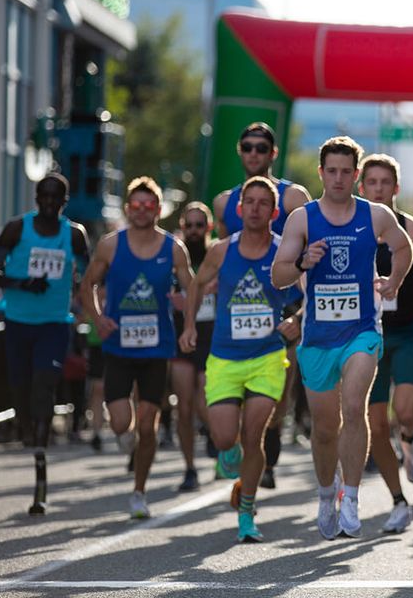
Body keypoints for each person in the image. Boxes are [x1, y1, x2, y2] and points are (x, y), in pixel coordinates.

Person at [272, 136, 412, 540]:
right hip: (317, 336)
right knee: (324, 427)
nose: (338, 178)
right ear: (321, 173)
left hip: (362, 330)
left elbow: (403, 248)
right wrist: (302, 261)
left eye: (345, 172)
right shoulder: (302, 218)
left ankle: (351, 497)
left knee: (354, 407)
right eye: (330, 171)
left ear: (356, 175)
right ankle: (325, 493)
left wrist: (393, 280)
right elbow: (279, 276)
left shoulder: (375, 215)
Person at [182, 176, 301, 542]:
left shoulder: (284, 252)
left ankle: (247, 514)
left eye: (263, 203)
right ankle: (227, 453)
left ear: (274, 211)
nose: (255, 208)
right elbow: (197, 283)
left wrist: (296, 320)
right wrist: (189, 325)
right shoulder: (221, 250)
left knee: (254, 435)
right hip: (225, 357)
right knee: (224, 438)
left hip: (267, 356)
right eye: (249, 201)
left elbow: (309, 290)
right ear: (239, 209)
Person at [81, 176, 194, 519]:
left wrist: (186, 315)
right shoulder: (110, 245)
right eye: (136, 206)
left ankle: (139, 493)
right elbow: (87, 285)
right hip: (118, 347)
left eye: (149, 206)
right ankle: (126, 441)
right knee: (120, 423)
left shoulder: (173, 247)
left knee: (148, 424)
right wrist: (98, 320)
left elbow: (193, 288)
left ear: (159, 210)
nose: (142, 211)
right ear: (127, 208)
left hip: (156, 350)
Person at [0, 174, 91, 514]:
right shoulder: (17, 229)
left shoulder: (73, 235)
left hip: (55, 325)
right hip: (18, 323)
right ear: (36, 197)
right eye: (43, 195)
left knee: (44, 387)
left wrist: (87, 295)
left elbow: (90, 274)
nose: (48, 201)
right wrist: (23, 282)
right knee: (21, 393)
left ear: (64, 201)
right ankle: (28, 428)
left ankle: (40, 473)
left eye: (55, 197)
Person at [214, 122, 312, 489]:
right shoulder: (224, 202)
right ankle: (240, 445)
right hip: (242, 307)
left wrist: (304, 308)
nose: (254, 153)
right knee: (235, 391)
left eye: (261, 148)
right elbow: (223, 257)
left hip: (286, 303)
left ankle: (266, 454)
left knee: (278, 391)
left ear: (272, 153)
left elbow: (309, 248)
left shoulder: (292, 198)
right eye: (248, 147)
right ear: (240, 152)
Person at [357, 153, 413, 534]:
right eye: (371, 182)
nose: (378, 189)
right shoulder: (350, 231)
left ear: (396, 188)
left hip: (404, 334)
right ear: (361, 187)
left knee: (405, 412)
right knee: (373, 424)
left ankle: (412, 437)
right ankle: (398, 501)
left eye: (385, 183)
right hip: (365, 335)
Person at [171, 202, 215, 492]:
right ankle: (189, 468)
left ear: (208, 227)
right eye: (190, 226)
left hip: (211, 335)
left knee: (205, 402)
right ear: (182, 227)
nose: (195, 231)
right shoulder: (174, 256)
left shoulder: (217, 255)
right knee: (184, 407)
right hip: (180, 336)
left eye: (200, 225)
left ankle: (218, 439)